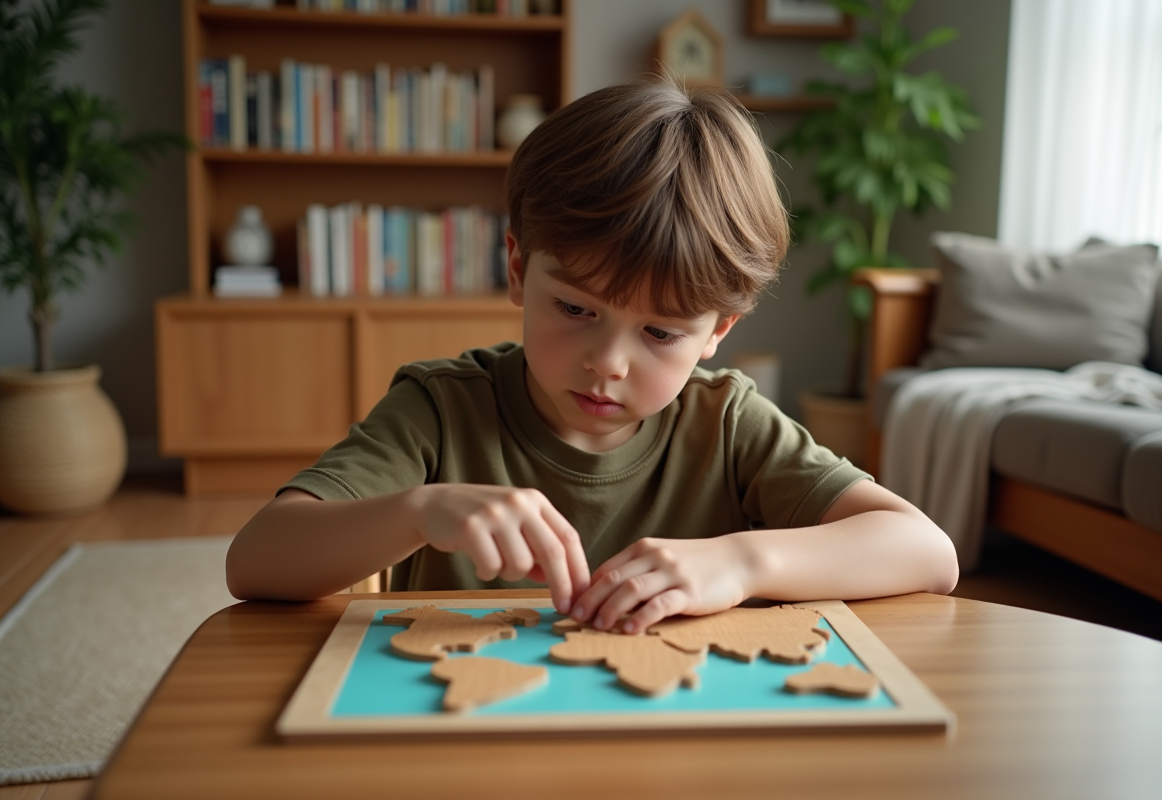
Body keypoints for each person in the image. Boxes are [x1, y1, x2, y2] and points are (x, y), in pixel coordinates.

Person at [226, 74, 958, 634]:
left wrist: (739, 563)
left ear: (718, 332)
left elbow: (927, 552)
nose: (608, 361)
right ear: (518, 268)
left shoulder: (728, 424)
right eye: (576, 309)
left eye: (661, 333)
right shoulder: (440, 410)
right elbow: (255, 561)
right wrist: (418, 511)